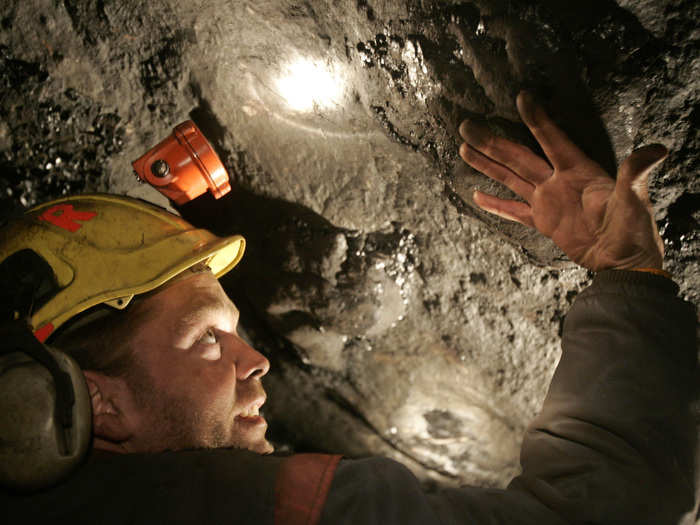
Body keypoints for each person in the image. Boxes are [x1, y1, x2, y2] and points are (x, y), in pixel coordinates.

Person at [0, 91, 696, 525]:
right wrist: (628, 272)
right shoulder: (242, 507)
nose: (260, 360)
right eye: (208, 339)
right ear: (93, 400)